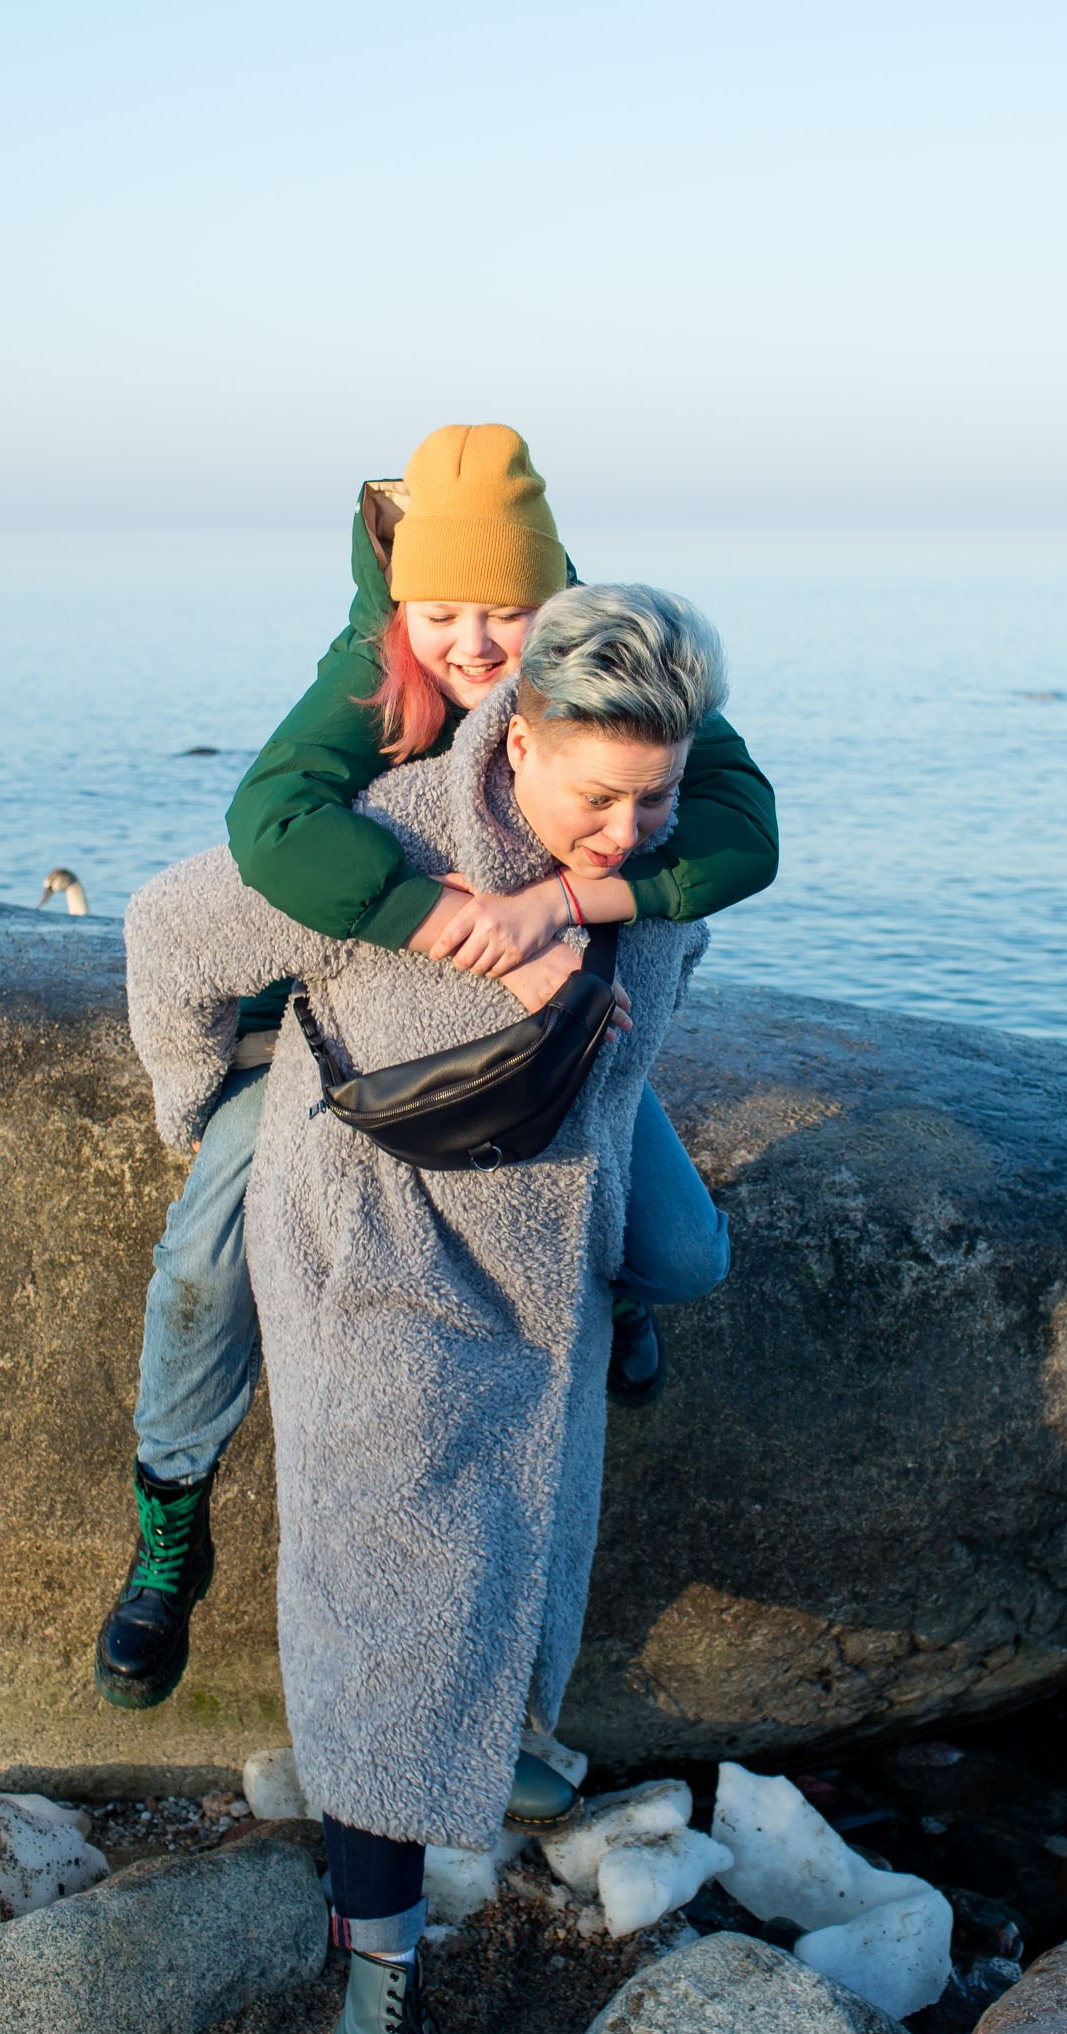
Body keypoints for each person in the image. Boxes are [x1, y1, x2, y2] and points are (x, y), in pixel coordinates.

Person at [123, 583, 724, 2034]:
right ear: (509, 736)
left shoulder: (665, 856)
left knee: (527, 1554)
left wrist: (623, 886)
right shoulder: (378, 846)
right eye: (593, 794)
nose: (625, 828)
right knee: (390, 1623)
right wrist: (204, 1102)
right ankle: (377, 2013)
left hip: (551, 1259)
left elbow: (653, 1011)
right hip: (378, 1264)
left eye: (653, 797)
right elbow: (173, 935)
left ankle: (494, 1729)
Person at [95, 424, 778, 1710]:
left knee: (679, 1251)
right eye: (441, 611)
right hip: (346, 1030)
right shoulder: (374, 675)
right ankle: (168, 1529)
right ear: (399, 603)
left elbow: (744, 832)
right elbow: (265, 829)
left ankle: (617, 1296)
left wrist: (575, 901)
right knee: (204, 1260)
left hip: (554, 1043)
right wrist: (440, 923)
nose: (473, 644)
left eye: (507, 611)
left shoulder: (603, 675)